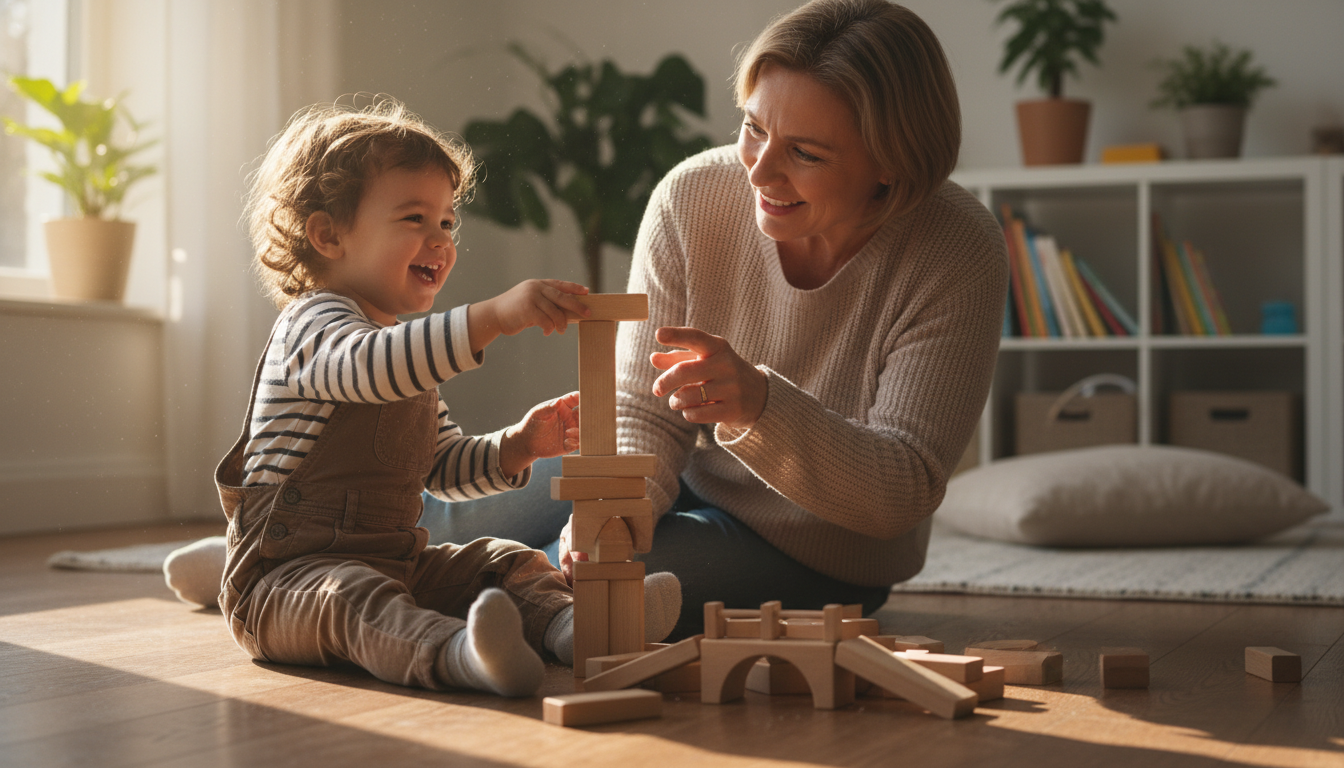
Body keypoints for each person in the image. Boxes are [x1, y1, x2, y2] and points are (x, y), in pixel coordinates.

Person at [423, 0, 1008, 640]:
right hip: (684, 471)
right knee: (440, 521)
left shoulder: (958, 248)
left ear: (890, 163)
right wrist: (619, 506)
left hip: (822, 547)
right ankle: (323, 573)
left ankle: (437, 629)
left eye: (805, 152)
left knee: (618, 591)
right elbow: (642, 406)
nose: (758, 171)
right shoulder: (693, 195)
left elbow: (903, 489)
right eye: (754, 128)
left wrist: (760, 405)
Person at [194, 100, 680, 698]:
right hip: (284, 583)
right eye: (414, 218)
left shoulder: (405, 355)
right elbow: (369, 371)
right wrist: (494, 317)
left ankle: (577, 627)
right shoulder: (312, 326)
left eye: (447, 223)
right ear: (328, 235)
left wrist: (517, 446)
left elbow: (442, 471)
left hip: (397, 562)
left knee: (502, 559)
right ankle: (460, 655)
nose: (440, 240)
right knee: (353, 598)